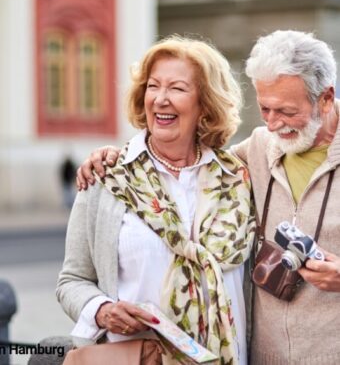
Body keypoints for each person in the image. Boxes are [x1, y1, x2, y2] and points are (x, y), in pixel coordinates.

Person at [77, 30, 340, 364]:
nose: (273, 124)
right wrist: (115, 156)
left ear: (326, 99)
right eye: (265, 109)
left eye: (286, 111)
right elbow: (177, 158)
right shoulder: (254, 152)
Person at [57, 35, 255, 365]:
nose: (161, 99)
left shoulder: (237, 176)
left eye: (177, 88)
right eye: (153, 86)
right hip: (140, 356)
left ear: (204, 103)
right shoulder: (106, 179)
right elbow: (72, 280)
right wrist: (102, 311)